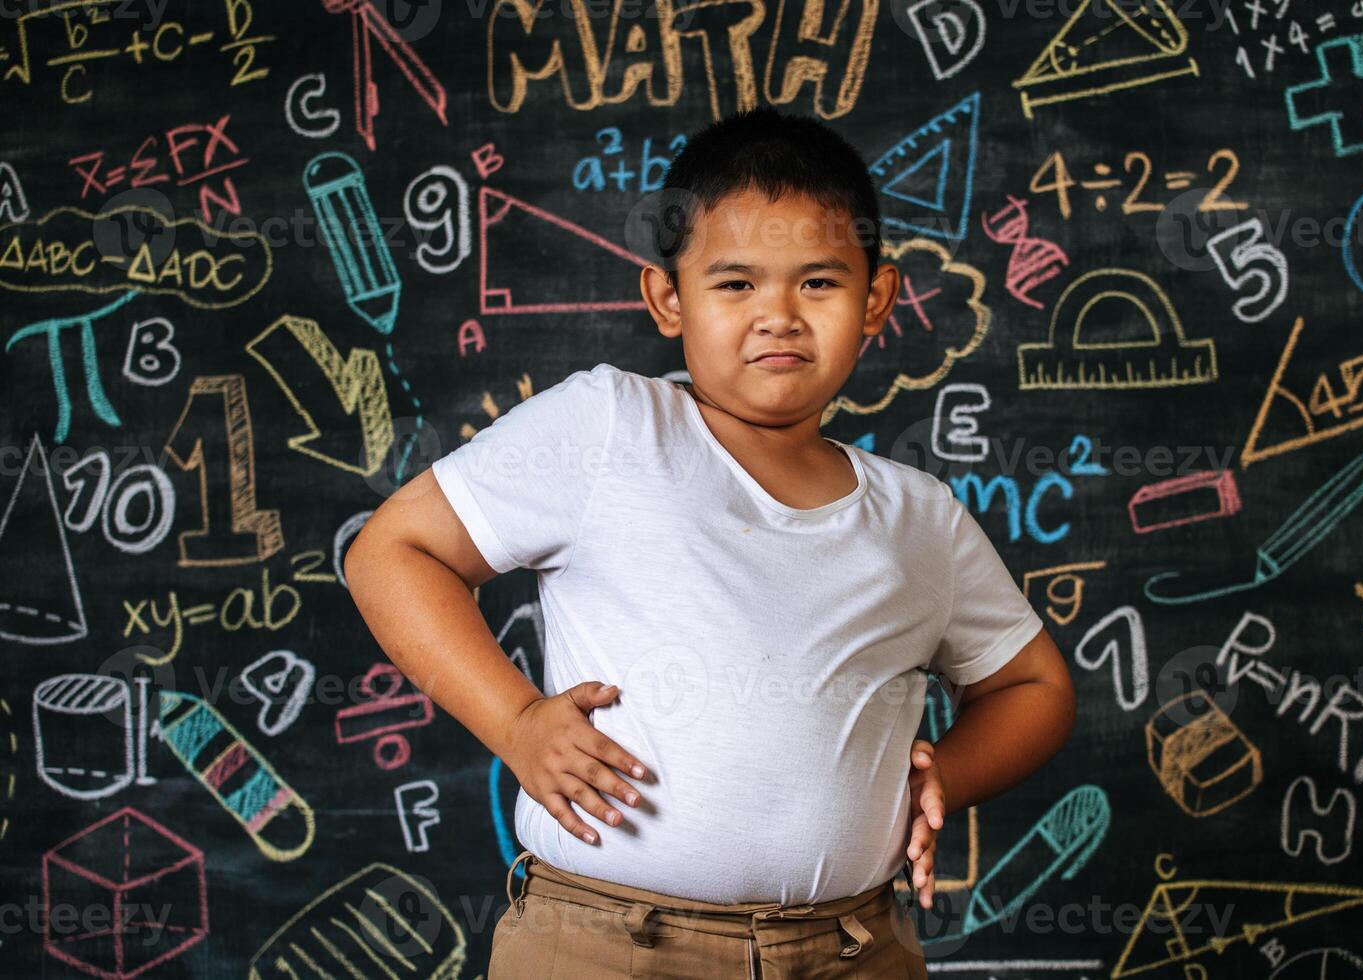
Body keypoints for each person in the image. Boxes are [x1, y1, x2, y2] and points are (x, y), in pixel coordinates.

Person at [343, 106, 1076, 979]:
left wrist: (942, 775)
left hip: (853, 949)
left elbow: (1034, 685)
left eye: (818, 283)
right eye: (734, 285)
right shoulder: (612, 426)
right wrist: (515, 721)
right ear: (667, 299)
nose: (777, 317)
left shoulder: (919, 516)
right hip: (606, 945)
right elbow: (391, 552)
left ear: (876, 299)